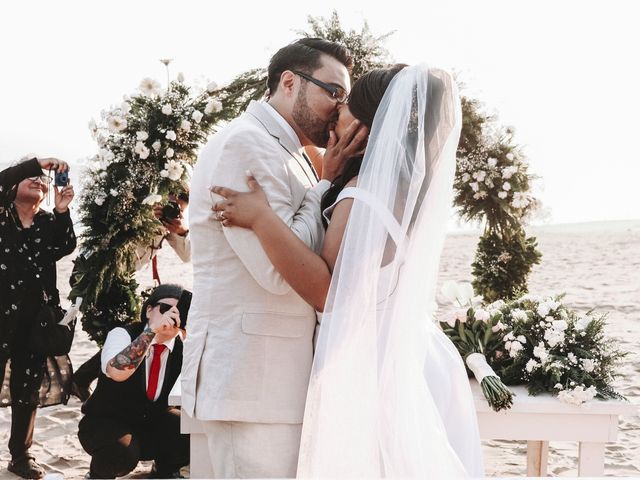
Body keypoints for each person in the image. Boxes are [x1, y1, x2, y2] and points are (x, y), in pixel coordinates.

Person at [211, 64, 484, 477]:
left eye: (348, 104)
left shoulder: (365, 196)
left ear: (371, 123)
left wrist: (262, 218)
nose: (338, 112)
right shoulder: (405, 190)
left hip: (364, 361)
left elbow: (327, 292)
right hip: (402, 349)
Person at [183, 37, 367, 478]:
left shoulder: (290, 151)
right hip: (252, 379)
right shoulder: (246, 144)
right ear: (289, 82)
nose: (339, 108)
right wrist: (325, 186)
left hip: (274, 383)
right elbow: (277, 271)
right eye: (334, 92)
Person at [71, 186, 191, 402]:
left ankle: (82, 379)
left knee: (130, 335)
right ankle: (85, 382)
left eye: (179, 210)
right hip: (101, 277)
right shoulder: (137, 211)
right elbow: (114, 244)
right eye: (169, 205)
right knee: (125, 334)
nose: (172, 212)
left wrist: (181, 231)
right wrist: (142, 219)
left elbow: (187, 256)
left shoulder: (168, 224)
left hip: (124, 280)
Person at [0, 156, 76, 479]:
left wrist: (61, 210)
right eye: (29, 177)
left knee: (27, 388)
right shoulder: (2, 219)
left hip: (36, 323)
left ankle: (21, 454)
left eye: (41, 179)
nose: (38, 180)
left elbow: (67, 244)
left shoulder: (48, 223)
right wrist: (35, 162)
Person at [77, 284, 189, 479]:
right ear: (148, 310)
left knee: (191, 431)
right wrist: (152, 331)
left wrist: (195, 334)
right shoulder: (122, 334)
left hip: (151, 421)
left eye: (180, 313)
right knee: (120, 454)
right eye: (165, 309)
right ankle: (97, 474)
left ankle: (164, 470)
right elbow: (118, 372)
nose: (171, 318)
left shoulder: (184, 347)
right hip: (107, 422)